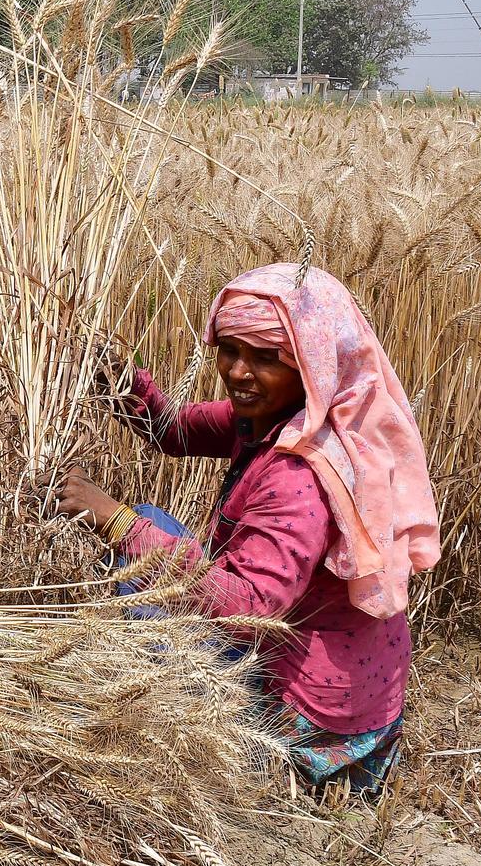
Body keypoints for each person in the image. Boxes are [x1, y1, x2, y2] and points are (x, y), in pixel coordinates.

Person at [57, 263, 440, 793]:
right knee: (151, 528)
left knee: (139, 554)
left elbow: (249, 609)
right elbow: (172, 430)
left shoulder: (300, 471)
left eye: (266, 357)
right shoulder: (278, 418)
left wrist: (116, 521)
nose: (239, 372)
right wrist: (119, 378)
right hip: (355, 689)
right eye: (230, 349)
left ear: (311, 365)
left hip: (312, 715)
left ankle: (225, 748)